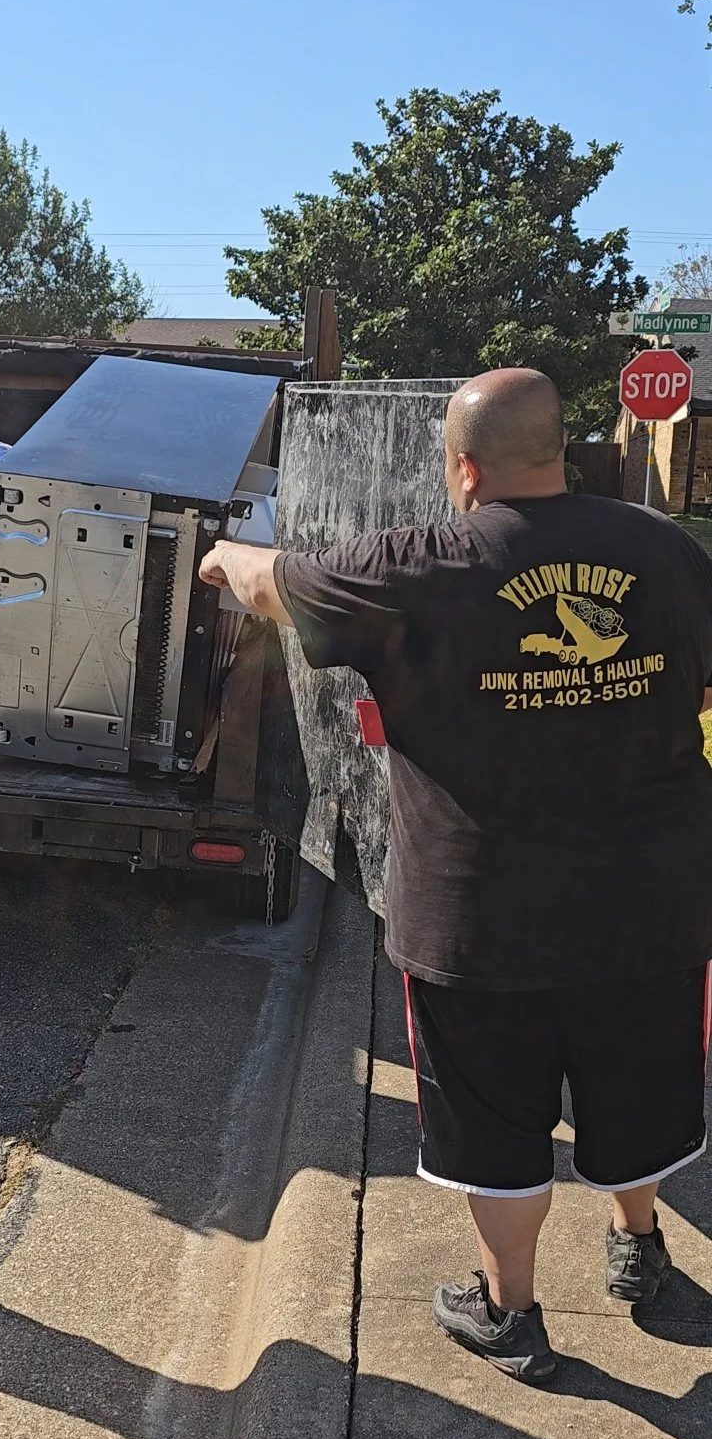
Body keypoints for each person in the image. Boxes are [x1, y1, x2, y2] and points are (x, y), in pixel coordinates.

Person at [199, 367, 712, 1383]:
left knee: (496, 1125)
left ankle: (511, 1312)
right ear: (558, 452)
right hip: (651, 907)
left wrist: (221, 552)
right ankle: (637, 1245)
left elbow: (268, 584)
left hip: (481, 922)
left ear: (465, 470)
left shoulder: (413, 568)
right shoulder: (665, 552)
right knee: (641, 1090)